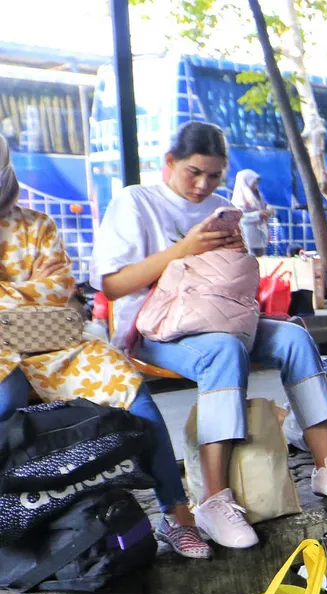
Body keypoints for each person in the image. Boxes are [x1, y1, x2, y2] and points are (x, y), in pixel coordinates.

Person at [91, 122, 327, 552]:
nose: (203, 185)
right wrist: (186, 249)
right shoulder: (135, 202)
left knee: (293, 336)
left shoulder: (220, 206)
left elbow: (229, 283)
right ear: (169, 163)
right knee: (224, 349)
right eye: (193, 172)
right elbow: (112, 286)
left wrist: (235, 253)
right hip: (152, 328)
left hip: (221, 319)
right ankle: (214, 502)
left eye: (214, 175)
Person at [0, 137, 212, 560]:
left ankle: (177, 516)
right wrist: (24, 296)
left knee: (128, 384)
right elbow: (44, 293)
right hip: (25, 337)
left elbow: (59, 289)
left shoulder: (36, 224)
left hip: (46, 341)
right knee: (5, 397)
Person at [230, 169, 271, 257]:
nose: (255, 186)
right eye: (254, 183)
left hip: (259, 235)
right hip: (246, 234)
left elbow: (263, 208)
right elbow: (240, 218)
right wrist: (257, 215)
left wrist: (267, 212)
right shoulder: (238, 200)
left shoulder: (258, 197)